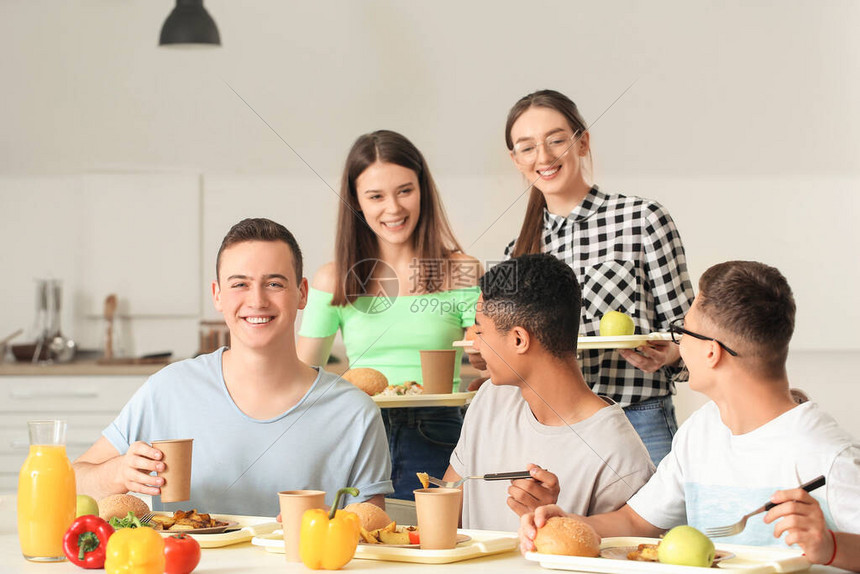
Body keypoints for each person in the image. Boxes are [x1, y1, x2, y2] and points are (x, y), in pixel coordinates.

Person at [520, 261, 860, 571]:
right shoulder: (702, 430)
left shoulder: (829, 455)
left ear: (711, 352)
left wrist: (830, 547)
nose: (678, 344)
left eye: (683, 331)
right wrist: (568, 523)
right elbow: (636, 523)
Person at [73, 218, 393, 516]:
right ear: (218, 295)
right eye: (239, 284)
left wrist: (328, 524)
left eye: (275, 284)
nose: (256, 301)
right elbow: (74, 480)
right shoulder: (169, 389)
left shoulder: (355, 412)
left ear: (302, 293)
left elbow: (371, 527)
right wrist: (117, 472)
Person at [470, 89, 695, 466]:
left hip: (639, 416)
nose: (543, 157)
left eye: (556, 140)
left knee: (648, 528)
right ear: (515, 159)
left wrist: (672, 354)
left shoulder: (642, 219)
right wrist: (486, 355)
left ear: (582, 141)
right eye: (527, 147)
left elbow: (688, 331)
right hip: (555, 429)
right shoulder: (518, 251)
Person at [297, 130, 481, 501]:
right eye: (376, 196)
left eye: (405, 191)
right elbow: (302, 377)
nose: (393, 208)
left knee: (429, 542)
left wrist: (487, 367)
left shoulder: (460, 269)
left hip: (439, 432)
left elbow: (487, 359)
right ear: (356, 202)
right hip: (357, 429)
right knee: (361, 544)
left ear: (423, 191)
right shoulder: (334, 278)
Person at [445, 254, 655, 532]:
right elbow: (447, 503)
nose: (476, 345)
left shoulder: (619, 456)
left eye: (481, 331)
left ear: (519, 339)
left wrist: (553, 524)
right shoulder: (490, 399)